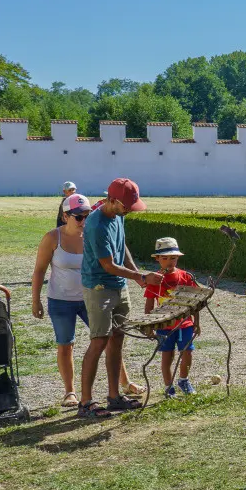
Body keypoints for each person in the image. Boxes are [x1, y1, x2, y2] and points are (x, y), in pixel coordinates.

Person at [30, 193, 139, 406]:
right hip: (61, 299)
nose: (83, 221)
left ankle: (124, 383)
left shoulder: (92, 233)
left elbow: (118, 251)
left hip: (92, 296)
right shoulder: (53, 238)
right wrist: (36, 300)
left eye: (87, 216)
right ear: (65, 216)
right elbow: (39, 270)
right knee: (66, 344)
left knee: (108, 340)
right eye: (78, 217)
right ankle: (70, 392)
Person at [79, 178, 160, 418]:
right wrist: (141, 275)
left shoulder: (119, 216)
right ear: (112, 200)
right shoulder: (96, 225)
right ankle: (85, 403)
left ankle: (114, 397)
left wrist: (136, 276)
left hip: (119, 285)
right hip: (99, 286)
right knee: (99, 341)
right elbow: (108, 265)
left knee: (117, 339)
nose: (128, 211)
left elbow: (122, 247)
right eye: (125, 206)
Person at [144, 236, 200, 398]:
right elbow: (149, 305)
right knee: (167, 355)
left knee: (187, 352)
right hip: (163, 325)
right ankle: (169, 387)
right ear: (157, 259)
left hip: (185, 323)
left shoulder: (186, 277)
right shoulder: (154, 280)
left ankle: (183, 380)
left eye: (173, 258)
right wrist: (149, 325)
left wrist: (196, 322)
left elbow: (195, 301)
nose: (169, 261)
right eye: (165, 258)